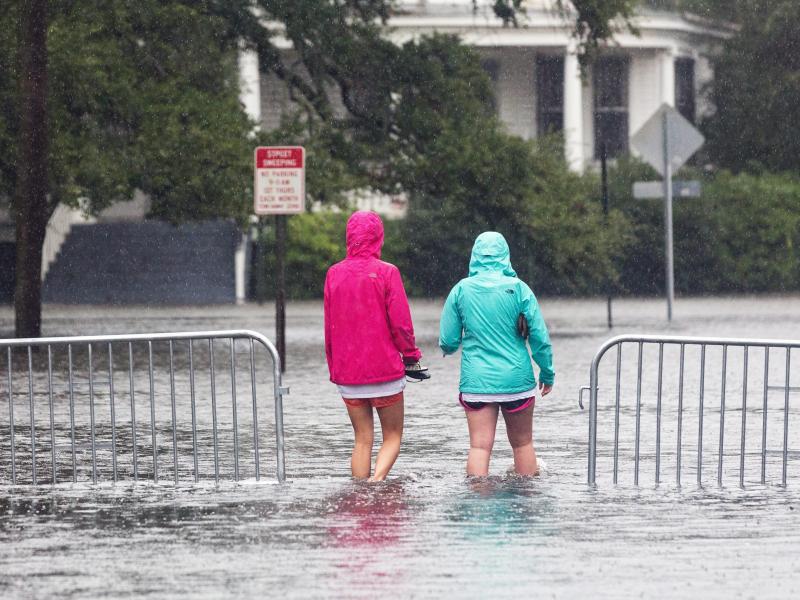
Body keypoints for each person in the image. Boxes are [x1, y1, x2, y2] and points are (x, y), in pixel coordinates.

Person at [439, 232, 554, 477]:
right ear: (506, 256)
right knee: (523, 444)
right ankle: (525, 504)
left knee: (479, 447)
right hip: (516, 380)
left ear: (474, 256)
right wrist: (547, 372)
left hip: (477, 382)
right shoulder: (520, 289)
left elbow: (448, 342)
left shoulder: (461, 290)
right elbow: (539, 337)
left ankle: (476, 504)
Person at [324, 211, 426, 481]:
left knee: (362, 439)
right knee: (392, 436)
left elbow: (329, 325)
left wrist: (335, 367)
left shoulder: (333, 274)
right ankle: (377, 481)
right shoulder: (387, 272)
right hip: (385, 372)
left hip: (348, 374)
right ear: (378, 237)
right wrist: (411, 356)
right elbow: (401, 323)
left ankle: (360, 493)